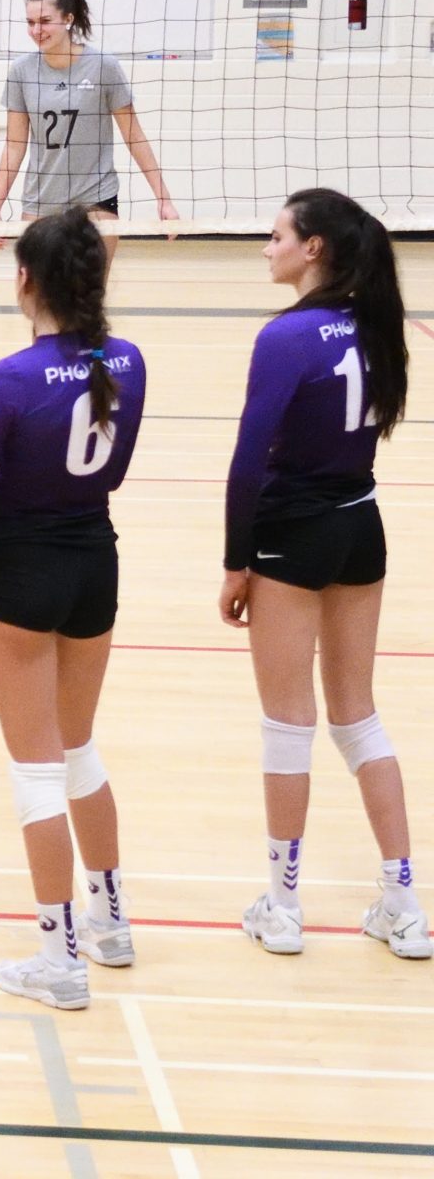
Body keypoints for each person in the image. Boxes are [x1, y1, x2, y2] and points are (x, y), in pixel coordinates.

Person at [0, 209, 147, 1011]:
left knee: (34, 769)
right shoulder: (127, 360)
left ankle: (59, 958)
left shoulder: (9, 380)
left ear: (27, 280)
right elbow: (105, 473)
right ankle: (111, 922)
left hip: (20, 575)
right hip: (95, 565)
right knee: (79, 749)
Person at [220, 188, 425, 961]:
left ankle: (283, 905)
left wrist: (236, 561)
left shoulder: (286, 337)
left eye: (276, 235)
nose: (266, 247)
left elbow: (247, 464)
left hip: (292, 536)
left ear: (314, 250)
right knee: (357, 716)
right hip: (360, 528)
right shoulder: (376, 325)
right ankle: (403, 904)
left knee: (289, 724)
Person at [0, 0, 181, 255]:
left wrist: (164, 199)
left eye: (44, 21)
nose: (36, 30)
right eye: (30, 23)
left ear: (68, 19)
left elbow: (133, 136)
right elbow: (15, 145)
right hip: (41, 202)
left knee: (89, 295)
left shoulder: (103, 66)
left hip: (95, 202)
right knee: (40, 298)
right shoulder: (21, 71)